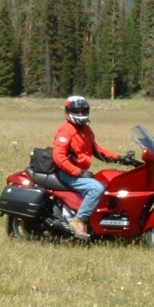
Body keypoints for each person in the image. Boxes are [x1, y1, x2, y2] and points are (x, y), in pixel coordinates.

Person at [53, 95, 120, 240]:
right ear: (68, 111)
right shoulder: (66, 131)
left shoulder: (86, 130)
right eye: (76, 111)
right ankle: (78, 220)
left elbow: (98, 149)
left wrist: (119, 157)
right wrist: (78, 172)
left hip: (78, 173)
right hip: (67, 173)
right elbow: (59, 157)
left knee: (110, 181)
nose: (80, 114)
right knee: (96, 188)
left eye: (83, 111)